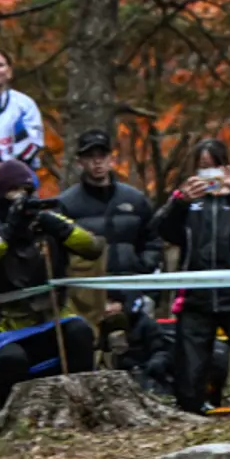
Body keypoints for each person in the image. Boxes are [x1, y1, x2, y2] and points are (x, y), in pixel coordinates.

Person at [0, 161, 102, 403]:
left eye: (27, 190)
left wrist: (62, 229)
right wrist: (7, 232)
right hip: (12, 329)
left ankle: (85, 405)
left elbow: (92, 248)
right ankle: (9, 418)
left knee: (79, 332)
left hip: (55, 319)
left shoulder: (48, 223)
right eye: (15, 192)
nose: (23, 199)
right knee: (11, 360)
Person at [149, 140, 230, 416]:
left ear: (225, 167)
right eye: (202, 169)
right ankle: (191, 416)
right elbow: (161, 230)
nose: (208, 175)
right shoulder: (185, 202)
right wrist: (180, 202)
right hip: (194, 298)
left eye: (213, 167)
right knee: (190, 375)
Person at [56, 129, 163, 351]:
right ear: (80, 162)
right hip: (84, 300)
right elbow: (59, 258)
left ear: (111, 158)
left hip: (132, 294)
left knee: (137, 360)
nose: (97, 162)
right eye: (90, 156)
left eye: (102, 155)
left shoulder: (136, 199)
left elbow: (153, 243)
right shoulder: (66, 204)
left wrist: (139, 286)